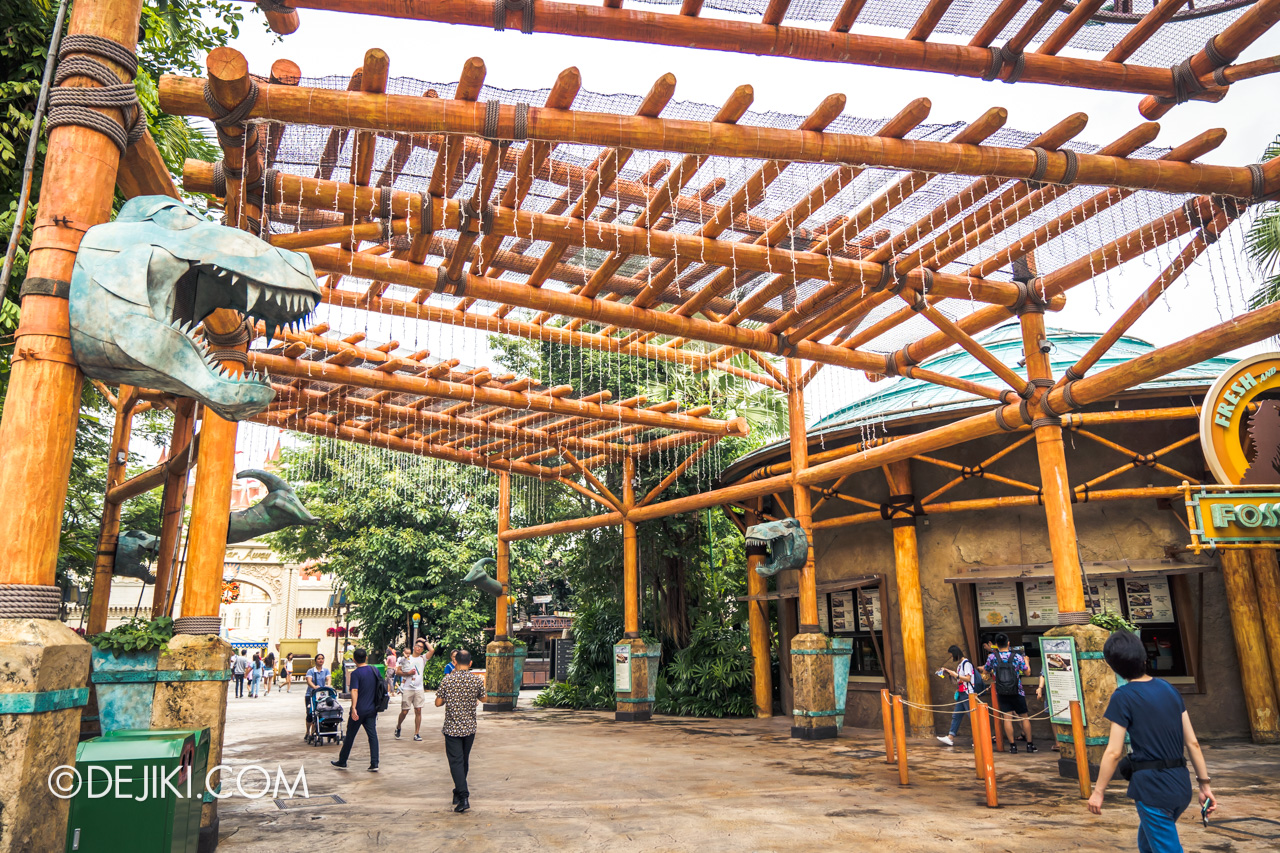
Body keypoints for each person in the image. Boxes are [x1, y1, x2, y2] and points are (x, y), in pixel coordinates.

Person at [1088, 630, 1215, 852]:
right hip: (1181, 786)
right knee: (1148, 843)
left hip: (1153, 789)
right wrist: (1204, 785)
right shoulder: (1169, 689)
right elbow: (1192, 742)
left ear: (1113, 666)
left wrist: (1098, 791)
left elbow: (1113, 752)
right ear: (1143, 657)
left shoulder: (1123, 696)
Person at [435, 650, 485, 813]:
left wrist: (450, 698)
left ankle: (463, 797)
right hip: (469, 727)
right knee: (463, 760)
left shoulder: (447, 680)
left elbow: (438, 703)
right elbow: (484, 699)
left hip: (452, 728)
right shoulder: (476, 680)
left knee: (456, 762)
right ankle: (457, 792)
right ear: (470, 663)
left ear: (455, 662)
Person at [982, 633, 1037, 753]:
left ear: (996, 645)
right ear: (1008, 643)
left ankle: (1012, 746)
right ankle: (1029, 745)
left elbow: (985, 670)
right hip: (1018, 690)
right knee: (1024, 717)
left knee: (1007, 718)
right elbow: (1027, 673)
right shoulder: (1017, 657)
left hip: (1001, 691)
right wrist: (1026, 661)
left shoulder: (992, 657)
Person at [332, 647, 380, 772]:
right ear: (366, 658)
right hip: (371, 709)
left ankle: (343, 761)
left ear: (354, 660)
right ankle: (374, 763)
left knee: (350, 736)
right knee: (372, 735)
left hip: (359, 710)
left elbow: (354, 690)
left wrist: (353, 708)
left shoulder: (356, 673)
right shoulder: (374, 670)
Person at [395, 637, 436, 742]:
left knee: (418, 710)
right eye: (418, 646)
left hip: (418, 688)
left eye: (421, 647)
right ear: (414, 647)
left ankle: (416, 733)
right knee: (404, 711)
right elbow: (397, 672)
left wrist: (425, 641)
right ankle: (399, 726)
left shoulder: (423, 658)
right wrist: (407, 674)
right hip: (407, 688)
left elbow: (432, 650)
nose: (419, 648)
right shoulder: (406, 658)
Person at [937, 644, 976, 747]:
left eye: (951, 655)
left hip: (968, 694)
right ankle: (950, 737)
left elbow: (968, 678)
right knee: (956, 715)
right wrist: (950, 673)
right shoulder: (960, 665)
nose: (951, 657)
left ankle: (978, 738)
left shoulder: (966, 663)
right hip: (961, 693)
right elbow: (958, 681)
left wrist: (956, 675)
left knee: (973, 717)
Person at [305, 653, 330, 740]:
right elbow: (309, 681)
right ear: (315, 660)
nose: (321, 660)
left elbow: (328, 679)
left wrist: (328, 685)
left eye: (322, 658)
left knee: (319, 713)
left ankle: (313, 733)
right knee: (310, 714)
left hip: (322, 696)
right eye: (319, 658)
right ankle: (308, 731)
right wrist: (314, 687)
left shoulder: (326, 670)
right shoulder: (311, 671)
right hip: (311, 695)